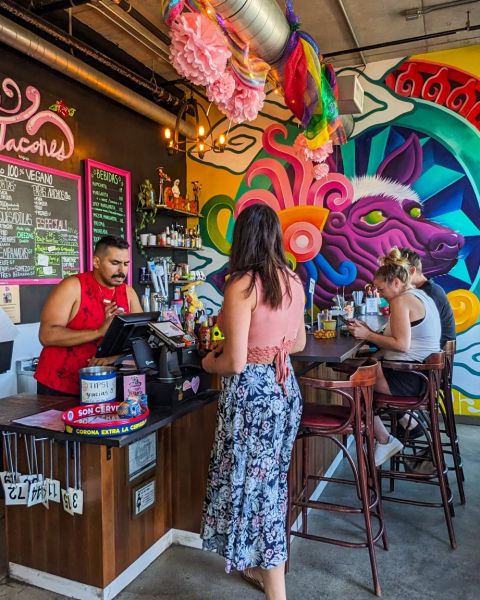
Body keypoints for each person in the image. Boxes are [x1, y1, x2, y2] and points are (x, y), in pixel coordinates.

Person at [200, 204, 306, 600]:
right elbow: (298, 343)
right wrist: (270, 347)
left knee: (255, 492)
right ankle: (259, 569)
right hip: (283, 389)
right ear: (275, 236)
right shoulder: (293, 280)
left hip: (252, 398)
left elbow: (235, 361)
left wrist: (208, 359)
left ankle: (276, 591)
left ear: (241, 238)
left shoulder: (241, 284)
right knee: (270, 488)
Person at [348, 247, 441, 467]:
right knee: (361, 370)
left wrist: (368, 335)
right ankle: (409, 423)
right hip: (422, 377)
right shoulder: (421, 295)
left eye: (381, 289)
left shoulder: (401, 301)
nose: (379, 294)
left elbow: (402, 344)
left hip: (409, 378)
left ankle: (386, 440)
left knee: (352, 387)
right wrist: (371, 340)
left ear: (396, 283)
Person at [35, 235, 142, 396]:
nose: (122, 271)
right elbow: (47, 335)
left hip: (105, 385)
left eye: (126, 264)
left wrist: (114, 358)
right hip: (60, 384)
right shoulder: (72, 286)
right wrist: (99, 332)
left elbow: (140, 338)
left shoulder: (128, 293)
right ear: (97, 262)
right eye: (115, 263)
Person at [398, 248, 456, 349]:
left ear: (412, 271)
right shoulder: (423, 290)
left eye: (398, 274)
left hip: (435, 356)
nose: (394, 279)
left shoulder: (429, 293)